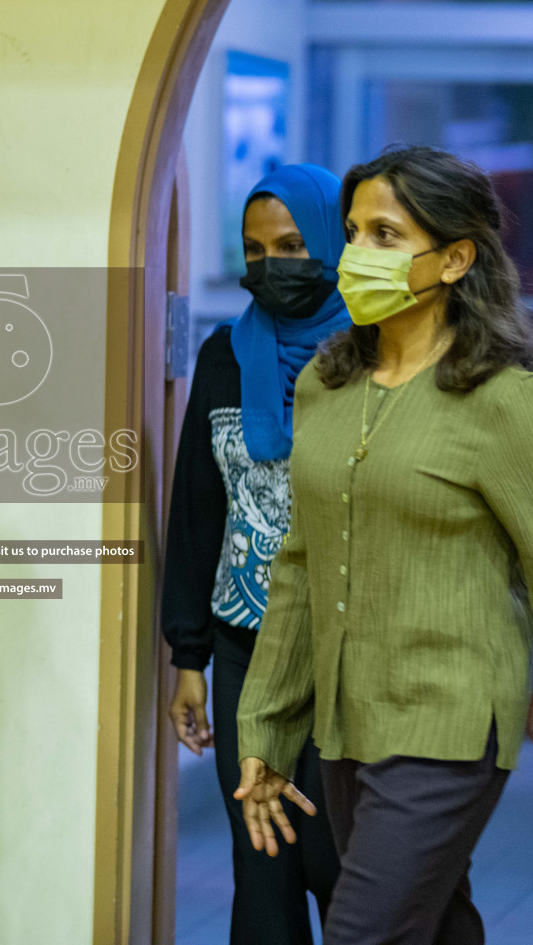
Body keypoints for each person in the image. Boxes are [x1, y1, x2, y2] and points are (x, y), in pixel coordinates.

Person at [232, 145, 533, 945]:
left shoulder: (505, 401)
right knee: (434, 926)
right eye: (351, 232)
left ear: (455, 258)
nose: (356, 255)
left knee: (362, 932)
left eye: (385, 234)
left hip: (450, 721)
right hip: (348, 721)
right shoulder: (324, 385)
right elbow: (301, 568)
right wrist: (266, 728)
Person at [162, 164, 348, 944]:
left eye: (295, 244)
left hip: (347, 652)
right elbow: (198, 510)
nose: (274, 265)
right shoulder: (223, 357)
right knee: (262, 866)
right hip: (244, 644)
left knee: (340, 866)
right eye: (256, 249)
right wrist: (188, 659)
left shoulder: (374, 361)